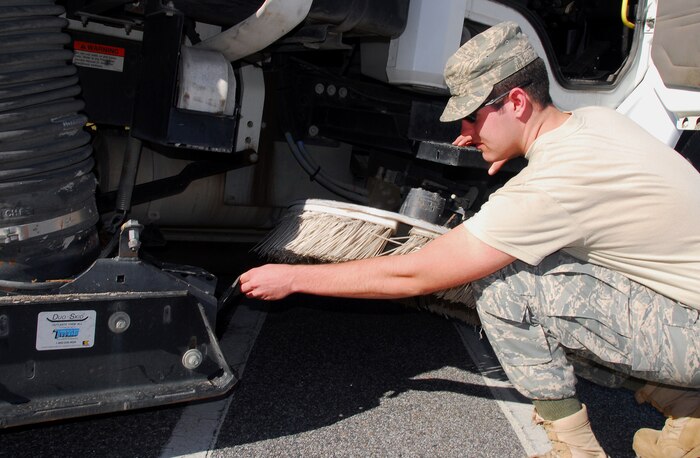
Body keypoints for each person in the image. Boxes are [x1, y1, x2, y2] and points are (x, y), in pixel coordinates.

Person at [240, 21, 700, 458]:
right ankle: (688, 411)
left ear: (517, 102)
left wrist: (294, 277)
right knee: (549, 265)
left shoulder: (552, 188)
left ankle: (577, 448)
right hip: (687, 310)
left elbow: (412, 273)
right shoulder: (597, 122)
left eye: (471, 119)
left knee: (505, 286)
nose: (463, 135)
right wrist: (512, 152)